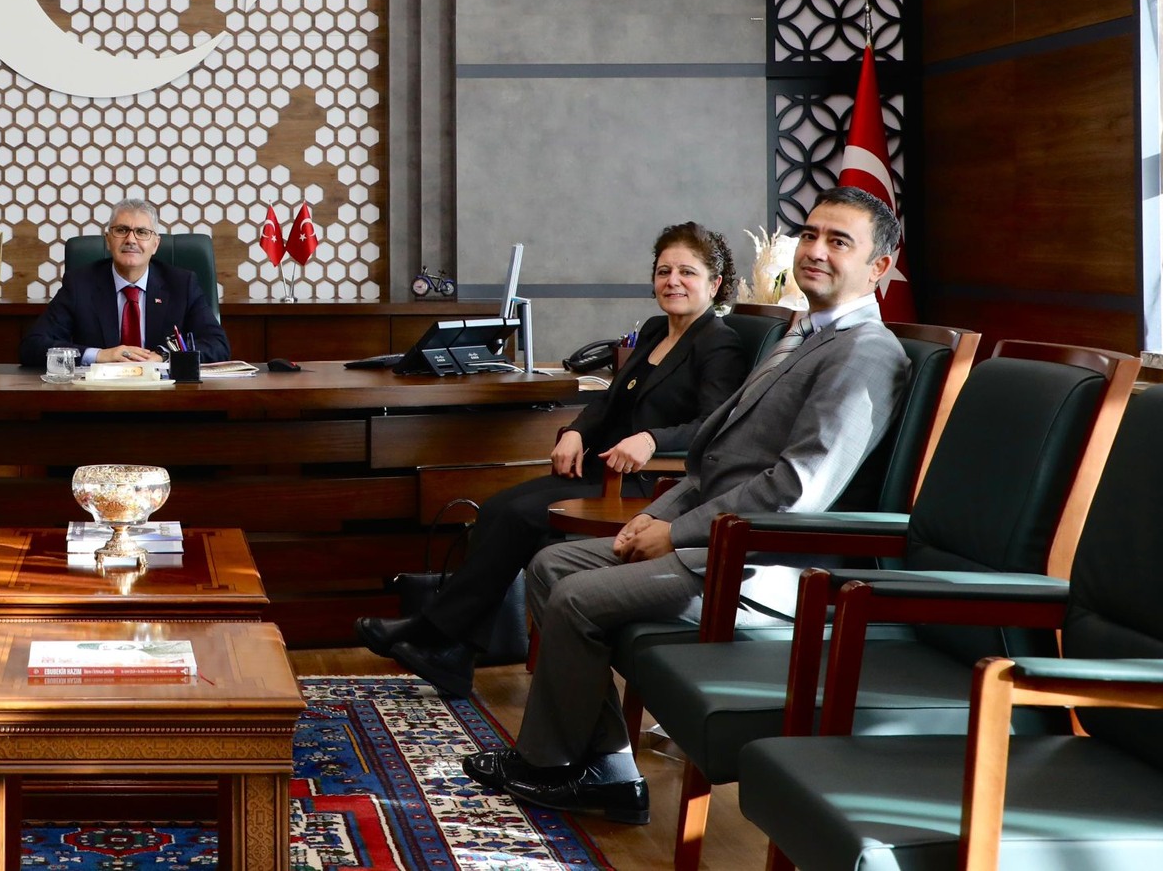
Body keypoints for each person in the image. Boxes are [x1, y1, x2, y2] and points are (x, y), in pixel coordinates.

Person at [461, 186, 908, 825]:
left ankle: (548, 763)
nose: (815, 251)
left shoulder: (864, 351)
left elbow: (795, 490)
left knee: (577, 597)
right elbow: (715, 456)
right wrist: (659, 515)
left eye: (839, 242)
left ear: (878, 266)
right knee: (551, 565)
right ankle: (608, 769)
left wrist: (675, 535)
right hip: (710, 534)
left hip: (765, 564)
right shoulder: (799, 332)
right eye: (810, 235)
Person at [354, 223, 748, 699]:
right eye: (664, 271)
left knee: (520, 516)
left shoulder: (719, 343)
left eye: (687, 272)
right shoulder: (653, 331)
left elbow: (713, 427)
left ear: (715, 283)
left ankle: (436, 634)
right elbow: (610, 402)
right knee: (497, 508)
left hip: (652, 485)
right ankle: (454, 651)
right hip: (604, 471)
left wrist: (652, 438)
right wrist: (577, 431)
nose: (673, 281)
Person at [19, 198, 229, 368]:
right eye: (121, 230)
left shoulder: (182, 284)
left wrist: (164, 357)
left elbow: (218, 345)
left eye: (142, 232)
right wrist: (99, 355)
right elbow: (33, 346)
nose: (131, 239)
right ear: (108, 240)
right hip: (98, 396)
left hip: (166, 396)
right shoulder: (79, 284)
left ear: (155, 244)